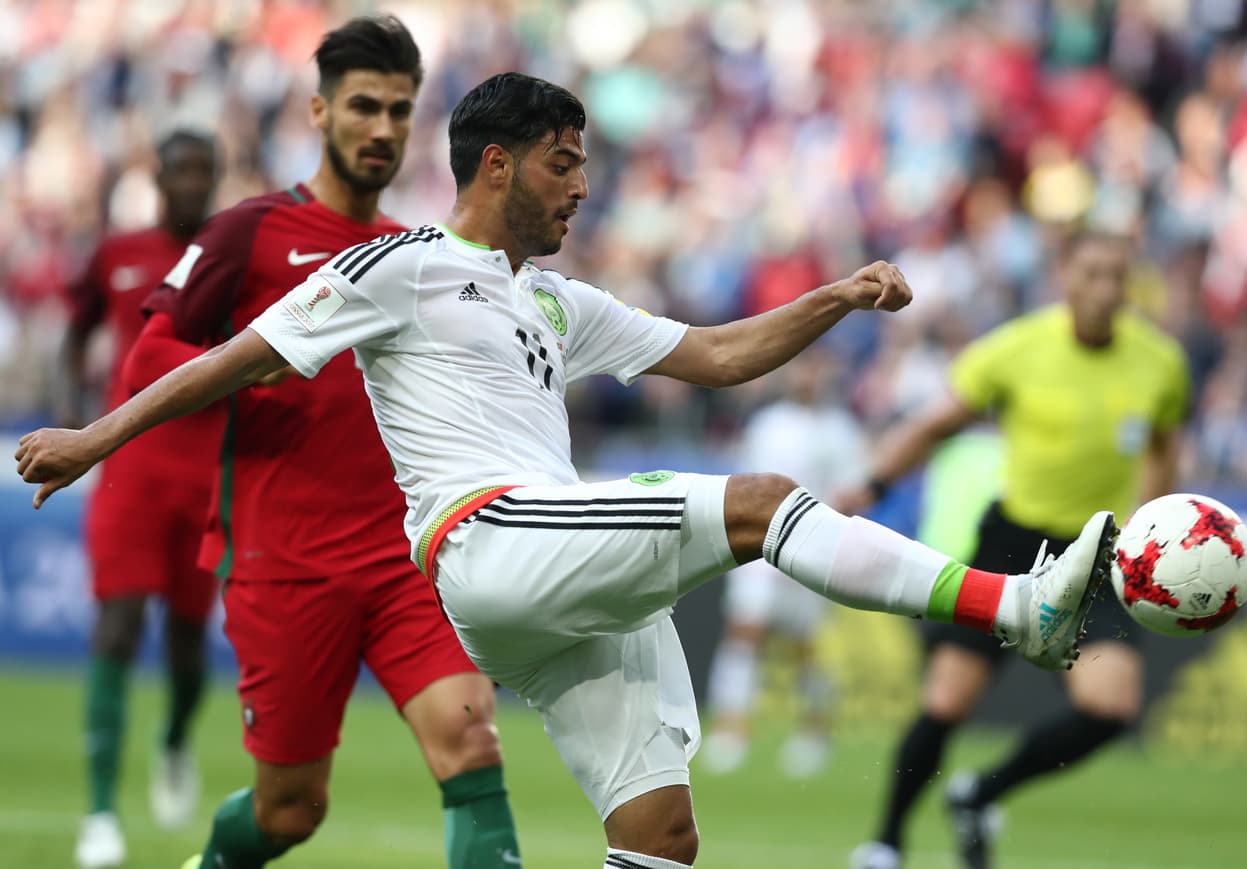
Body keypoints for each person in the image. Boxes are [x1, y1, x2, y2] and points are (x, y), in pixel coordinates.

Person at [17, 72, 1119, 869]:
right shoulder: (396, 268)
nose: (582, 184)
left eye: (584, 161)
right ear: (497, 163)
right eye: (563, 159)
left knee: (660, 836)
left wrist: (830, 297)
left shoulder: (555, 299)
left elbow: (718, 353)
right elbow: (233, 357)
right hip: (488, 540)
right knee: (756, 506)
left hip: (553, 577)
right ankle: (1017, 608)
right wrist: (93, 437)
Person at [93, 17, 520, 869]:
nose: (384, 128)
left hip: (407, 558)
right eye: (365, 106)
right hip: (284, 561)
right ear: (319, 112)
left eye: (400, 110)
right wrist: (253, 368)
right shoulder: (248, 232)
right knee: (291, 812)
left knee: (472, 746)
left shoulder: (417, 253)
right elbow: (149, 355)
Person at [848, 230, 1190, 869]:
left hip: (1100, 553)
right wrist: (868, 485)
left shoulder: (1160, 362)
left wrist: (1151, 527)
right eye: (1092, 273)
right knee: (946, 702)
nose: (1106, 289)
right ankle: (887, 841)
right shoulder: (1016, 348)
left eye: (1118, 276)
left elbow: (1165, 448)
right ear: (1065, 276)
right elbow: (932, 426)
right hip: (1013, 542)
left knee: (1111, 707)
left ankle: (980, 793)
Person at [58, 130, 220, 869]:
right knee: (117, 628)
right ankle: (98, 812)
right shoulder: (117, 252)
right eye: (179, 170)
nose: (191, 184)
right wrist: (72, 413)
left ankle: (177, 736)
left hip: (205, 476)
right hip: (128, 469)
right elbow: (78, 327)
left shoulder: (231, 258)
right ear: (157, 176)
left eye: (203, 173)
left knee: (187, 649)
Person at [701, 347, 868, 778]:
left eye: (816, 368)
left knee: (804, 648)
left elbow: (850, 497)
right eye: (801, 368)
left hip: (813, 551)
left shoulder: (842, 431)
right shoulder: (767, 423)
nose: (807, 377)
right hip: (760, 545)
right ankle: (731, 729)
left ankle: (815, 732)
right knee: (744, 632)